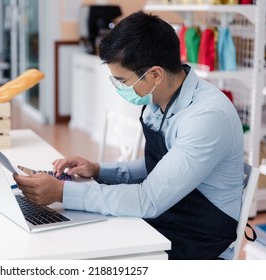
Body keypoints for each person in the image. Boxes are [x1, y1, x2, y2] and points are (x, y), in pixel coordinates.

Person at [13, 11, 244, 260]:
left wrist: (61, 193)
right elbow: (157, 166)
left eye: (122, 80)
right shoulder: (161, 98)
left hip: (197, 235)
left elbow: (148, 199)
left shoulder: (206, 117)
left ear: (156, 74)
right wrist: (99, 170)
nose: (119, 87)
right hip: (169, 211)